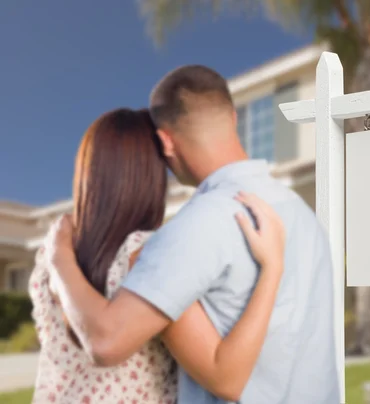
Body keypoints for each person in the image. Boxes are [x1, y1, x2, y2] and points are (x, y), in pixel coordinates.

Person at [46, 65, 340, 403]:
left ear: (165, 142)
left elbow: (107, 342)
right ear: (232, 117)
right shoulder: (301, 215)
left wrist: (58, 258)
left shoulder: (196, 226)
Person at [30, 108, 286, 403]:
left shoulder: (53, 255)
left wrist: (59, 257)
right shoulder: (146, 256)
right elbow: (225, 378)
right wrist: (272, 267)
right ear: (152, 176)